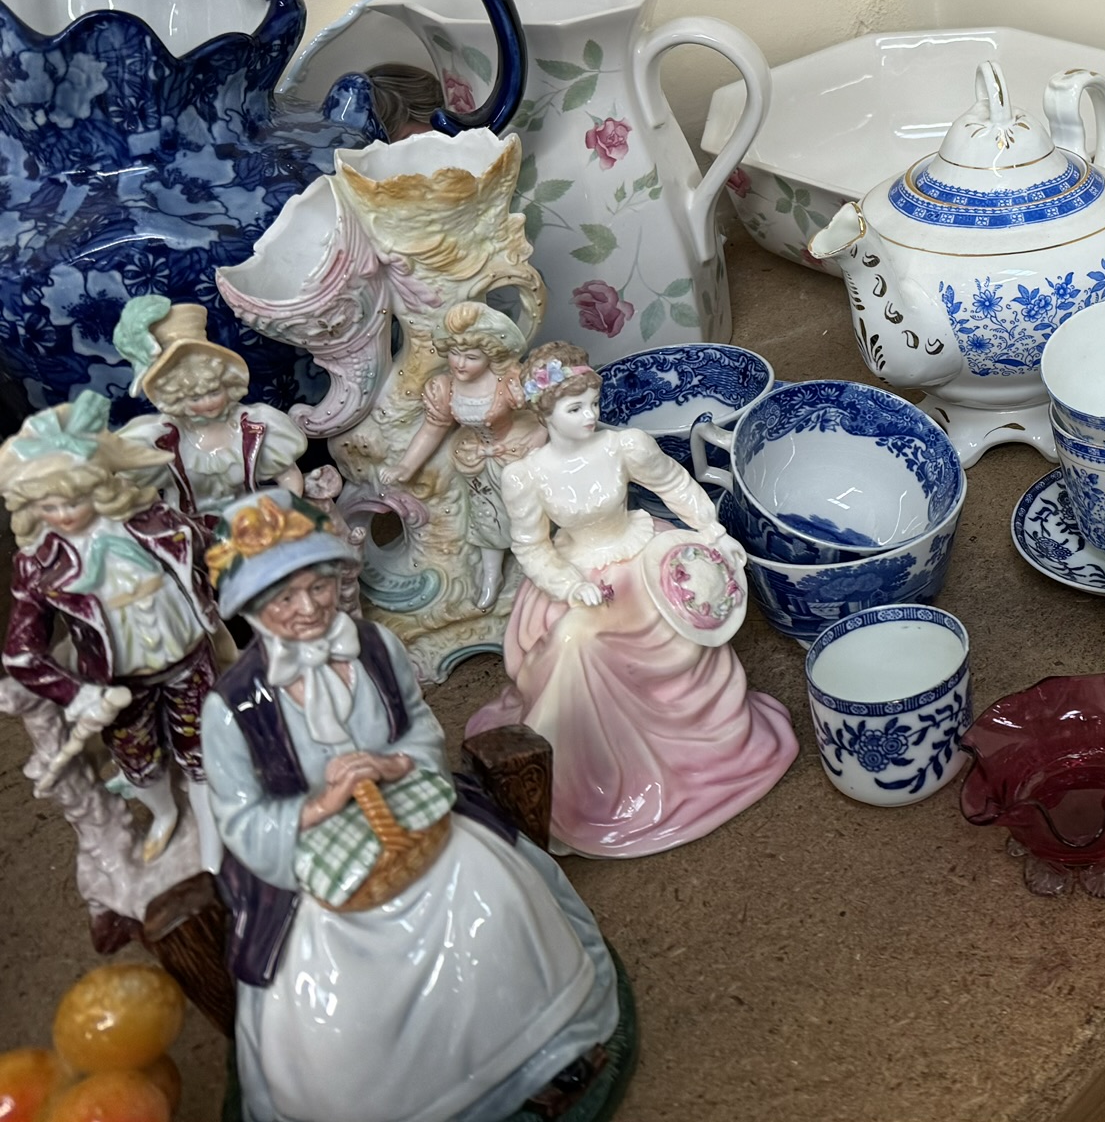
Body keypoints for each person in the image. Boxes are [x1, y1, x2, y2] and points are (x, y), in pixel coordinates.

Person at [200, 491, 621, 1122]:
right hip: (316, 870)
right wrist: (322, 804)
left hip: (415, 816)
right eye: (284, 599)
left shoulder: (374, 647)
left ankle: (540, 1052)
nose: (308, 609)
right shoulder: (231, 710)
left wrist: (394, 764)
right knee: (337, 994)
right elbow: (241, 822)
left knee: (494, 889)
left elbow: (419, 729)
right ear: (253, 611)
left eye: (317, 587)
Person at [465, 343, 796, 858]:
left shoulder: (625, 445)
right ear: (545, 413)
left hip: (640, 555)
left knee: (656, 627)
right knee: (573, 641)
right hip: (578, 574)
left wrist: (710, 530)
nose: (591, 415)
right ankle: (576, 780)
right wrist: (568, 583)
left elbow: (677, 486)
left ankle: (683, 754)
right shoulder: (525, 476)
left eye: (593, 402)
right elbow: (530, 545)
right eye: (574, 408)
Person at [0, 392, 224, 861]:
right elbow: (21, 654)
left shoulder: (157, 523)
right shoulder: (39, 566)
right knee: (137, 759)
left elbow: (213, 548)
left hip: (188, 658)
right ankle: (164, 813)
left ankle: (212, 834)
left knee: (203, 745)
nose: (62, 514)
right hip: (119, 683)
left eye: (74, 497)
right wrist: (80, 695)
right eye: (47, 505)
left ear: (99, 483)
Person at [382, 301, 546, 610]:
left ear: (490, 355)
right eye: (455, 354)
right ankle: (491, 576)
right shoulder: (445, 388)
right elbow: (432, 429)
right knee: (486, 520)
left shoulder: (509, 381)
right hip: (477, 462)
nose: (460, 363)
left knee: (527, 515)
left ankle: (536, 571)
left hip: (517, 455)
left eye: (471, 357)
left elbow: (545, 414)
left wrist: (537, 440)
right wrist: (406, 465)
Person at [112, 296, 307, 530]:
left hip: (252, 530)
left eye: (214, 391)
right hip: (187, 534)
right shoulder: (160, 440)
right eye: (194, 398)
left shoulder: (256, 426)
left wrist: (285, 514)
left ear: (227, 383)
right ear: (175, 398)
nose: (207, 403)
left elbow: (288, 476)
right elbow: (128, 488)